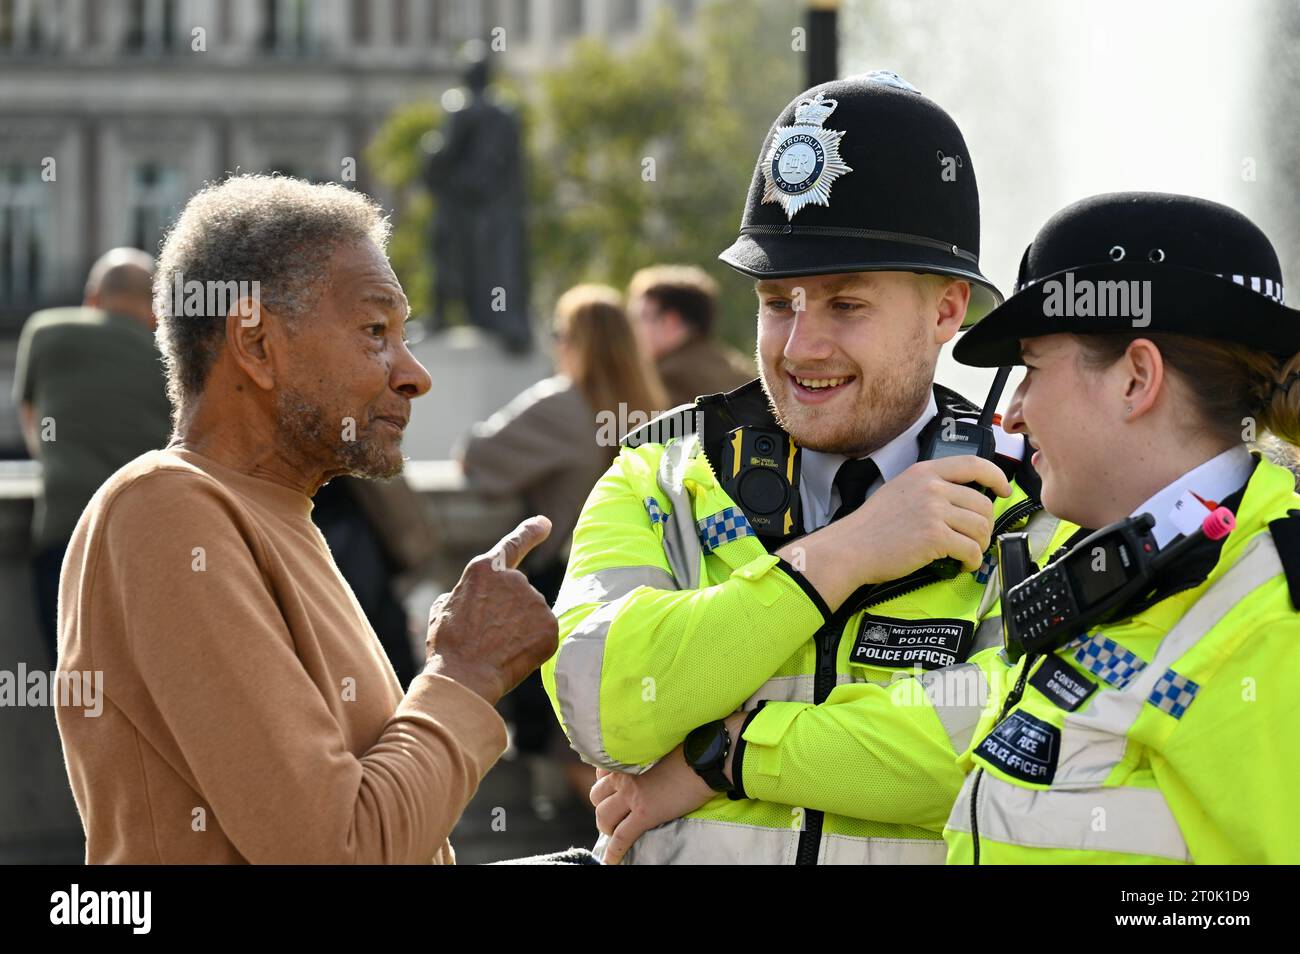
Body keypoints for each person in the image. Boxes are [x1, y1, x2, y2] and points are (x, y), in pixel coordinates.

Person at [544, 73, 1080, 864]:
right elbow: (602, 704)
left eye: (845, 304)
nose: (799, 349)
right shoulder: (658, 470)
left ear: (946, 311)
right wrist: (843, 554)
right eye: (777, 302)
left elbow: (1015, 748)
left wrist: (722, 756)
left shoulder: (1041, 499)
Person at [53, 174, 558, 864]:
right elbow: (336, 850)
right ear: (257, 345)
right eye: (375, 331)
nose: (414, 373)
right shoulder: (166, 511)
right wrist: (466, 675)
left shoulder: (278, 512)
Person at [942, 192, 1300, 863]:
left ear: (1137, 379)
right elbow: (940, 734)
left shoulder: (1277, 622)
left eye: (1031, 369)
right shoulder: (1125, 562)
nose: (1012, 415)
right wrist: (735, 755)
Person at [458, 284, 666, 816]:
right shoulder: (653, 406)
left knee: (573, 746)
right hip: (650, 588)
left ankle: (620, 845)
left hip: (574, 587)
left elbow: (479, 457)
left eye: (559, 334)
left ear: (577, 341)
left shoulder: (561, 403)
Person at [12, 248, 172, 662]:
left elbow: (32, 425)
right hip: (147, 546)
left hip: (64, 535)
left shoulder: (46, 331)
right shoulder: (170, 359)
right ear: (155, 310)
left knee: (77, 690)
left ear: (92, 296)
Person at [628, 264, 754, 407]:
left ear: (670, 322)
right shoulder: (740, 369)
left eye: (639, 318)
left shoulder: (665, 378)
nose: (632, 328)